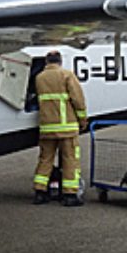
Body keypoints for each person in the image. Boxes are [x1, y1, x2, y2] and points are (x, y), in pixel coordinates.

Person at [31, 50, 88, 206]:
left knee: (45, 159)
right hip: (67, 127)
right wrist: (83, 119)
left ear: (46, 62)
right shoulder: (67, 75)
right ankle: (70, 195)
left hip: (47, 127)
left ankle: (40, 192)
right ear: (60, 61)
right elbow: (78, 99)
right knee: (70, 159)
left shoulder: (39, 78)